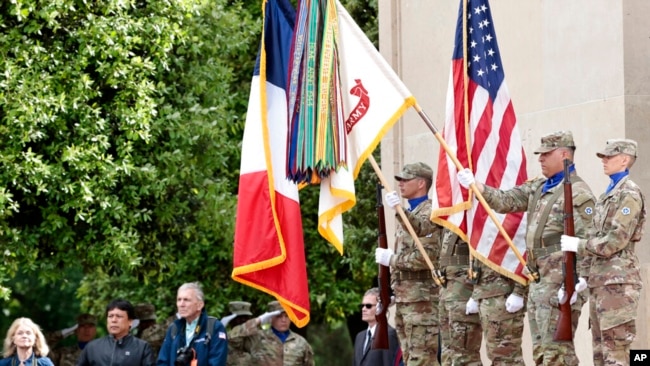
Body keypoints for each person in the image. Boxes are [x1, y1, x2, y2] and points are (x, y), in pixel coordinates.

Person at [457, 130, 596, 365]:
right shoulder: (539, 187)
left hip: (560, 280)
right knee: (542, 350)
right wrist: (478, 186)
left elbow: (588, 239)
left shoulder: (580, 193)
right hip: (539, 280)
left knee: (557, 351)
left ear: (564, 154)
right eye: (539, 155)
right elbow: (506, 200)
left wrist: (578, 281)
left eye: (546, 154)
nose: (540, 159)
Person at [560, 138, 646, 366]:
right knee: (600, 353)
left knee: (615, 353)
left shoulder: (629, 194)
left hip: (618, 284)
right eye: (603, 157)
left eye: (609, 157)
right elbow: (595, 235)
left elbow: (614, 241)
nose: (604, 161)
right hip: (602, 283)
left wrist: (577, 245)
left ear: (625, 159)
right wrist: (584, 277)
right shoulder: (608, 194)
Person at [374, 162, 442, 365]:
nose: (401, 184)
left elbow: (426, 257)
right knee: (410, 358)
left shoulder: (429, 213)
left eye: (406, 180)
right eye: (400, 180)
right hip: (407, 299)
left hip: (422, 301)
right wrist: (392, 290)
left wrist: (392, 260)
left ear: (421, 183)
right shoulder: (409, 213)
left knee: (422, 359)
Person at [157, 282, 228, 366]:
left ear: (200, 305)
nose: (181, 304)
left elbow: (217, 362)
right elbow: (162, 362)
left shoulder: (213, 327)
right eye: (179, 300)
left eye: (186, 300)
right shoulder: (174, 328)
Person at [437, 232, 482, 365]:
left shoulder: (471, 214)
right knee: (448, 355)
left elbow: (484, 252)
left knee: (465, 357)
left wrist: (477, 294)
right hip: (446, 292)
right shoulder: (449, 220)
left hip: (464, 294)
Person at [228, 300, 314, 365]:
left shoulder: (301, 343)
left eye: (287, 316)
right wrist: (258, 320)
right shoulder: (257, 338)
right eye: (279, 316)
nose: (284, 320)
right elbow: (232, 339)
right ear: (270, 318)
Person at [77, 299, 154, 365]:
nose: (113, 320)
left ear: (130, 321)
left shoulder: (142, 347)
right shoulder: (92, 347)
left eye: (119, 316)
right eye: (110, 316)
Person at [352, 287, 399, 366]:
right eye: (362, 306)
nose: (363, 309)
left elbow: (389, 363)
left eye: (368, 306)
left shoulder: (388, 335)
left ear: (380, 308)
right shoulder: (359, 336)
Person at [221, 301, 255, 366]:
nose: (243, 320)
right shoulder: (222, 340)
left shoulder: (255, 338)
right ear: (230, 319)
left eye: (246, 317)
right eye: (239, 317)